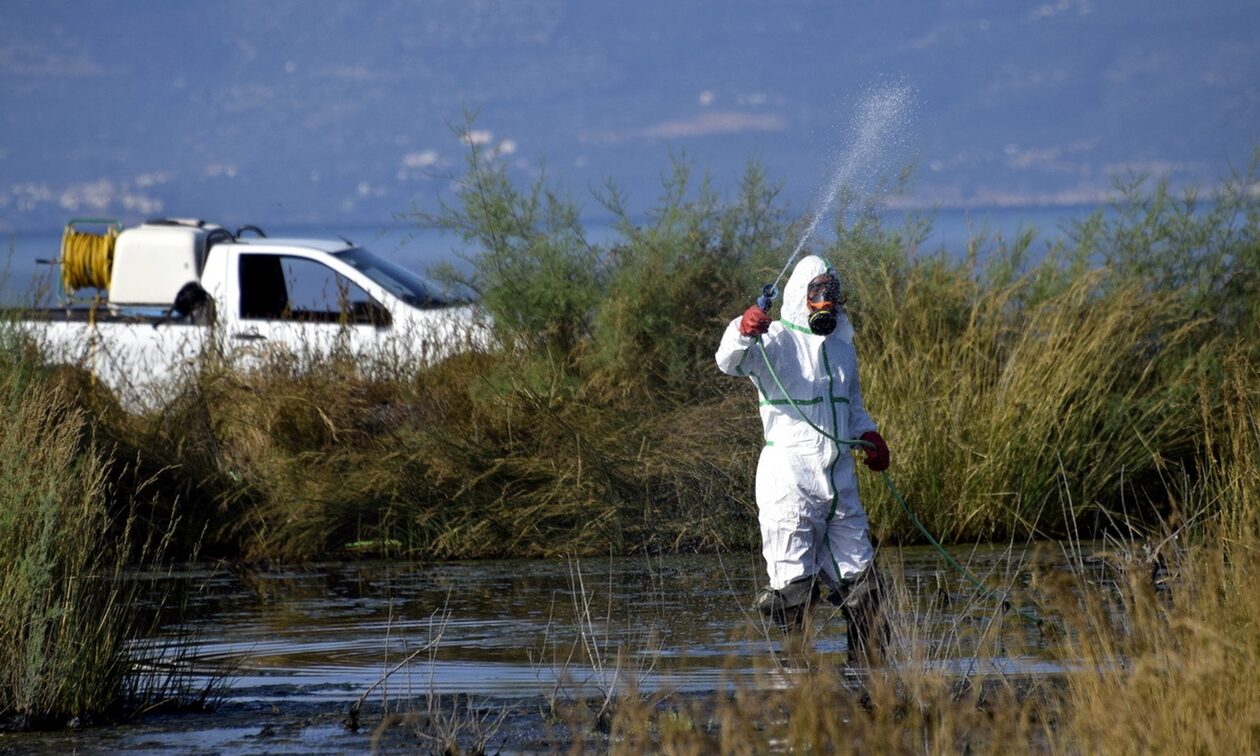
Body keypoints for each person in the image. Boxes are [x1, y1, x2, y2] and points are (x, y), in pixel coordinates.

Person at [715, 255, 890, 664]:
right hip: (789, 485)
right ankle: (797, 687)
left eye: (831, 294)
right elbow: (729, 361)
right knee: (795, 596)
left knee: (867, 590)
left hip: (839, 485)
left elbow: (853, 407)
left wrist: (868, 435)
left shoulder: (842, 349)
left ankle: (869, 680)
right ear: (800, 297)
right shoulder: (774, 341)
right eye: (817, 294)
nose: (826, 302)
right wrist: (744, 330)